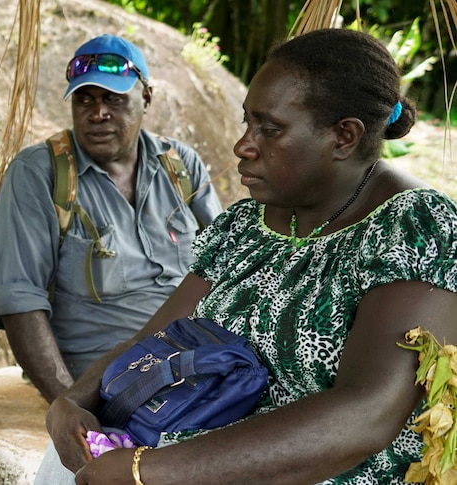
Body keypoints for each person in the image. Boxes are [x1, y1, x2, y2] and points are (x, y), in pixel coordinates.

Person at [39, 27, 457, 484]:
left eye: (269, 129)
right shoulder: (246, 226)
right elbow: (155, 338)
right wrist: (74, 401)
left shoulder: (413, 228)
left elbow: (366, 413)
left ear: (344, 137)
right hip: (179, 458)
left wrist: (147, 472)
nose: (244, 144)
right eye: (247, 122)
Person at [0, 34, 223, 403]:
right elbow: (20, 302)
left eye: (113, 99)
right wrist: (70, 406)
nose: (97, 113)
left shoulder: (180, 165)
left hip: (198, 360)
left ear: (146, 97)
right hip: (109, 379)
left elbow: (226, 264)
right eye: (84, 100)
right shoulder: (40, 174)